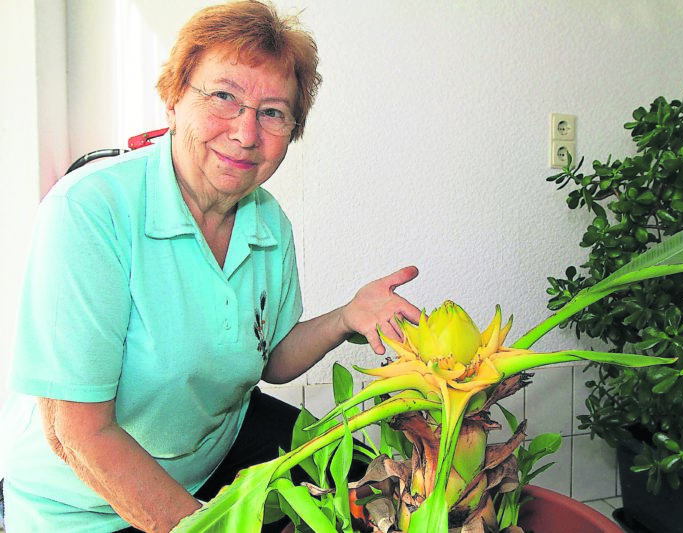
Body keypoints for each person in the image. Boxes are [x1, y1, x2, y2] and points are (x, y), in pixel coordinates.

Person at [0, 1, 420, 532]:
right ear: (174, 99)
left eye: (272, 112)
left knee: (371, 492)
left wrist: (346, 317)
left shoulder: (269, 225)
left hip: (212, 463)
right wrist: (205, 526)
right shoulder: (92, 210)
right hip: (83, 506)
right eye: (224, 96)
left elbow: (270, 361)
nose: (246, 133)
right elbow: (75, 433)